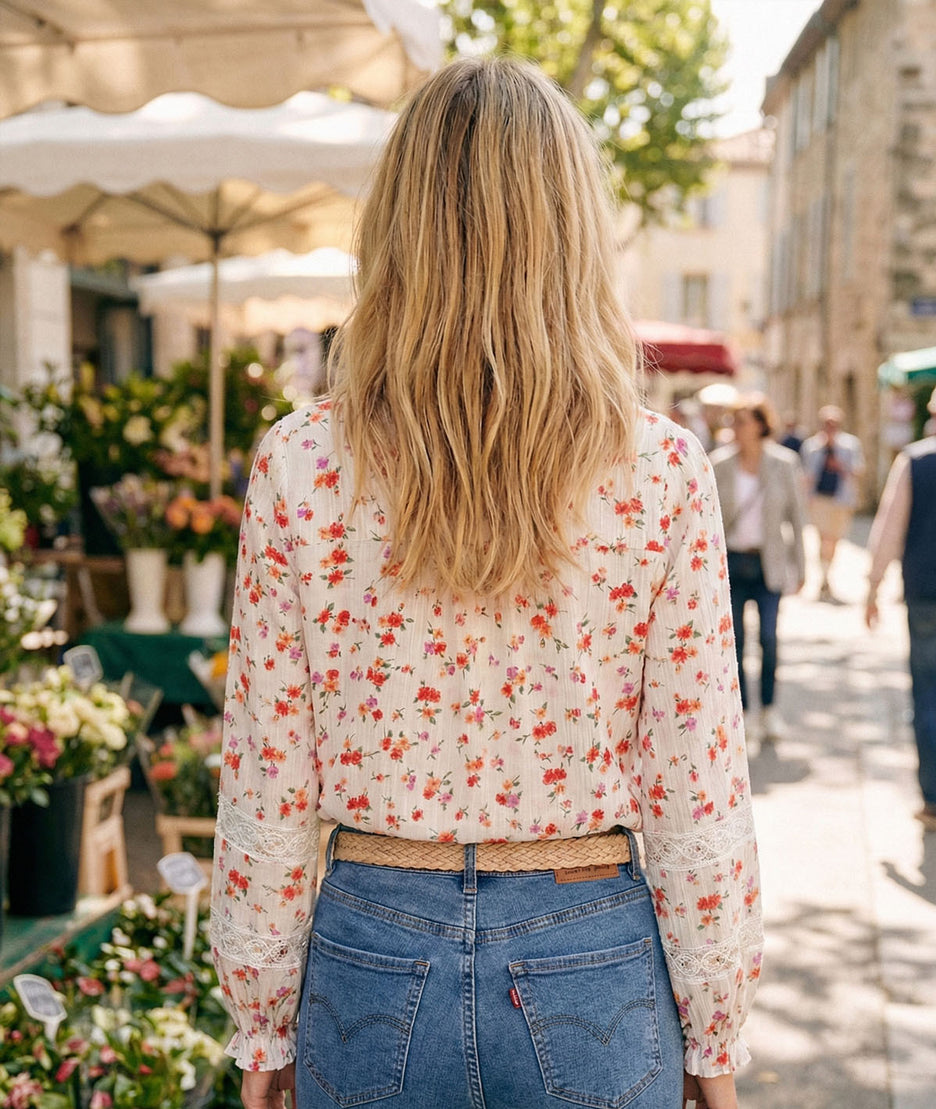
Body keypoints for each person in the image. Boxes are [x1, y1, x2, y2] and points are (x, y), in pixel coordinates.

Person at [210, 57, 762, 1109]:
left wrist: (261, 1017)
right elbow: (697, 780)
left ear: (399, 229)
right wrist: (716, 1027)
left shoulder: (299, 464)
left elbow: (268, 772)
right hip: (592, 951)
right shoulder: (659, 468)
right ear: (573, 229)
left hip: (369, 943)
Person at [711, 395, 806, 743]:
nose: (735, 428)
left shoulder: (783, 464)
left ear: (761, 425)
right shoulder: (719, 464)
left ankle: (768, 709)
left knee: (768, 638)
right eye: (733, 422)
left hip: (769, 563)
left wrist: (802, 567)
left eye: (742, 421)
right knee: (733, 643)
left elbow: (797, 517)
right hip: (732, 563)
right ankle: (742, 713)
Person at [866, 386, 936, 832]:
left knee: (927, 695)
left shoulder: (916, 461)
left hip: (926, 594)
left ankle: (932, 801)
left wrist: (872, 587)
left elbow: (891, 526)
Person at [801, 405, 865, 602]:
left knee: (834, 540)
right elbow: (804, 474)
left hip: (840, 499)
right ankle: (823, 577)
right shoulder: (811, 446)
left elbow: (859, 470)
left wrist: (841, 465)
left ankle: (827, 575)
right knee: (823, 539)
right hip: (819, 499)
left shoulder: (850, 445)